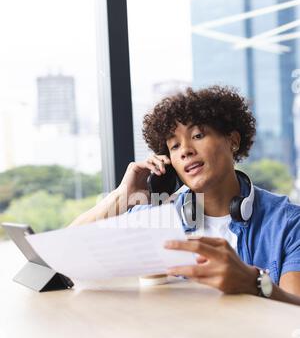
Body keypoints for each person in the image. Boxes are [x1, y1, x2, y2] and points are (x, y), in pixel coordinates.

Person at [71, 85, 300, 304]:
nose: (186, 151)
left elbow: (295, 310)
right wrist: (122, 196)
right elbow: (65, 253)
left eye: (198, 135)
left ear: (233, 141)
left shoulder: (288, 223)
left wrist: (253, 283)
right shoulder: (155, 220)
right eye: (174, 146)